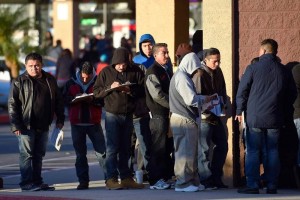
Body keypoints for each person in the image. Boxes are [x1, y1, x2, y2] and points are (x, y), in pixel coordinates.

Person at [235, 39, 297, 194]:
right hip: (275, 117)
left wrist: (239, 110)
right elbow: (292, 94)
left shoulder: (253, 68)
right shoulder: (283, 70)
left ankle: (253, 185)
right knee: (273, 150)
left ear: (262, 51)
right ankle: (272, 185)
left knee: (254, 150)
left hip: (255, 116)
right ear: (275, 51)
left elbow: (242, 91)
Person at [8, 52, 65, 191]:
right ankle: (26, 183)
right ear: (26, 66)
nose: (34, 68)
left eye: (37, 65)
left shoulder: (49, 79)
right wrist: (16, 125)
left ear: (41, 65)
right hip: (25, 125)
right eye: (31, 66)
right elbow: (12, 104)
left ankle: (37, 182)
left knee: (39, 155)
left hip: (44, 124)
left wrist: (60, 119)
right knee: (27, 155)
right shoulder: (19, 82)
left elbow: (58, 101)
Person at [93, 47, 145, 190]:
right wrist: (110, 87)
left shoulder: (135, 71)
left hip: (129, 114)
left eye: (124, 64)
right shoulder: (106, 72)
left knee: (126, 148)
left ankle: (127, 177)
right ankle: (111, 179)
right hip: (112, 115)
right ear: (114, 61)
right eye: (119, 64)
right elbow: (96, 93)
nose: (122, 66)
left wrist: (130, 90)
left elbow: (143, 89)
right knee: (112, 148)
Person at [169, 52, 216, 192]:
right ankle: (183, 184)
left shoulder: (181, 76)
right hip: (183, 119)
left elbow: (189, 99)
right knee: (185, 152)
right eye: (195, 68)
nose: (196, 72)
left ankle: (193, 181)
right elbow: (190, 100)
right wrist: (205, 99)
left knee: (189, 152)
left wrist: (204, 102)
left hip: (183, 118)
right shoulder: (182, 77)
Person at [63, 62, 106, 190]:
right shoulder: (70, 83)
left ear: (92, 73)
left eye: (88, 76)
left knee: (102, 153)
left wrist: (92, 100)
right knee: (80, 155)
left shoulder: (98, 82)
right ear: (79, 73)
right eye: (83, 77)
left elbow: (104, 100)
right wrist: (73, 98)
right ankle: (83, 181)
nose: (85, 79)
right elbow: (63, 99)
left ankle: (109, 178)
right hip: (77, 123)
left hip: (94, 123)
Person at [197, 48, 229, 189]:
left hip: (216, 115)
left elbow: (222, 89)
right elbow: (197, 96)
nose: (217, 64)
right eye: (214, 61)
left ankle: (216, 178)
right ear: (206, 60)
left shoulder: (218, 72)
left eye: (219, 61)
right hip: (204, 116)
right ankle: (205, 180)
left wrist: (222, 104)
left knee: (222, 145)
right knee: (203, 149)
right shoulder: (199, 73)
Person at [144, 43, 173, 189]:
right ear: (155, 55)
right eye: (164, 53)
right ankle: (155, 180)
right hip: (157, 116)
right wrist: (173, 104)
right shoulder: (152, 71)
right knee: (158, 148)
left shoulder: (165, 70)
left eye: (167, 52)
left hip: (166, 115)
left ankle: (164, 176)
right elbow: (158, 95)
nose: (167, 56)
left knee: (166, 148)